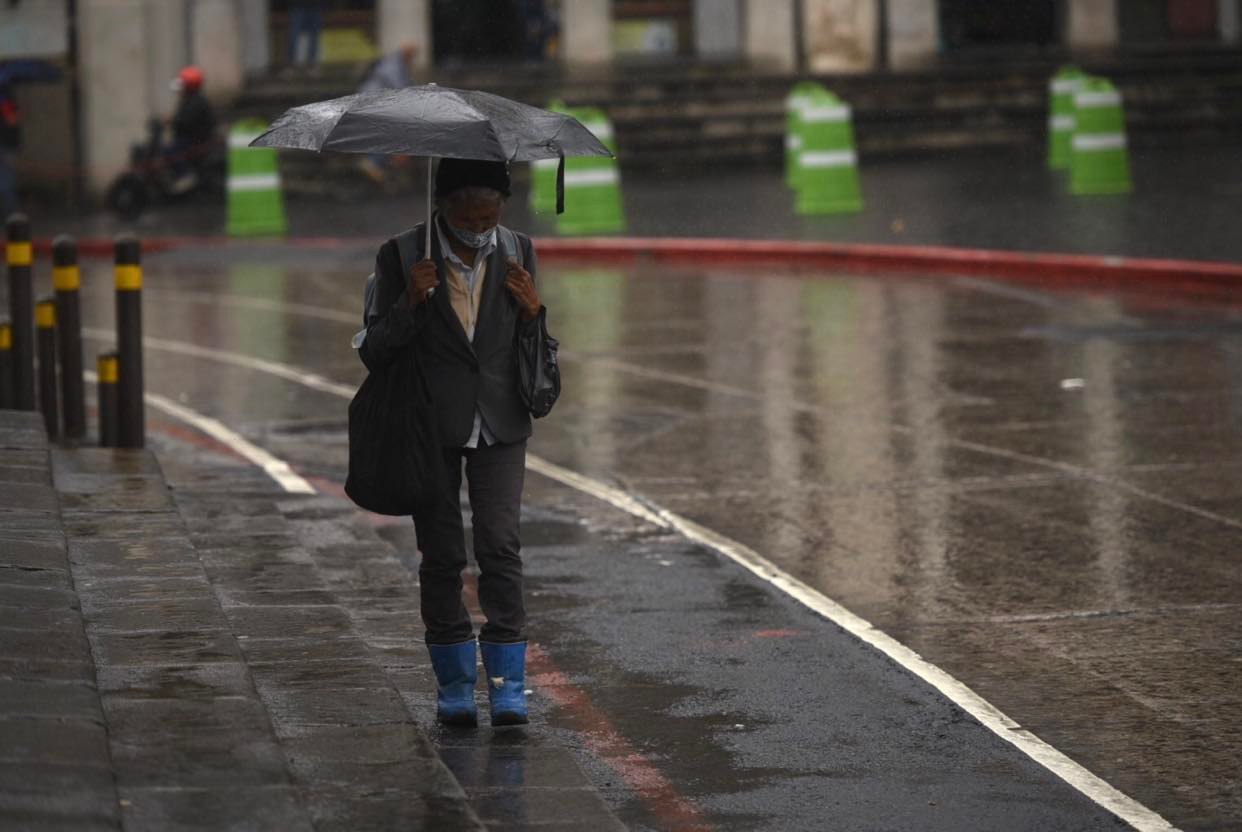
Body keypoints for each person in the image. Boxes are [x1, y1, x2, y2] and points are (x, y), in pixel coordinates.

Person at [359, 158, 545, 728]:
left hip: (500, 419)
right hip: (429, 423)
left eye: (490, 215)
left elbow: (529, 338)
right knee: (441, 554)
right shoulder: (401, 253)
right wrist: (410, 303)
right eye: (468, 216)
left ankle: (509, 684)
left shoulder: (519, 248)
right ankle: (456, 684)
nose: (479, 226)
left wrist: (534, 310)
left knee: (500, 546)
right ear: (443, 206)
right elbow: (373, 348)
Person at [356, 43, 418, 185]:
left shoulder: (394, 63)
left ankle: (379, 163)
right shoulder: (394, 66)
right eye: (411, 56)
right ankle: (374, 162)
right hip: (374, 101)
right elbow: (401, 90)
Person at [167, 66, 217, 193]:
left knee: (171, 150)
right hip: (192, 136)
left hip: (197, 139)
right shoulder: (190, 100)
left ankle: (185, 175)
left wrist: (172, 121)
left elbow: (186, 121)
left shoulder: (196, 102)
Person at [286, 0, 327, 75]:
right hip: (297, 6)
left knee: (314, 37)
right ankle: (291, 65)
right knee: (293, 36)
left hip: (315, 6)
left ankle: (312, 65)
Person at [0, 79, 20, 213]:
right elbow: (12, 121)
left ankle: (10, 209)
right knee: (7, 178)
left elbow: (12, 121)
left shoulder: (6, 102)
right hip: (7, 145)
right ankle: (10, 209)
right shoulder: (7, 102)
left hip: (6, 145)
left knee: (7, 178)